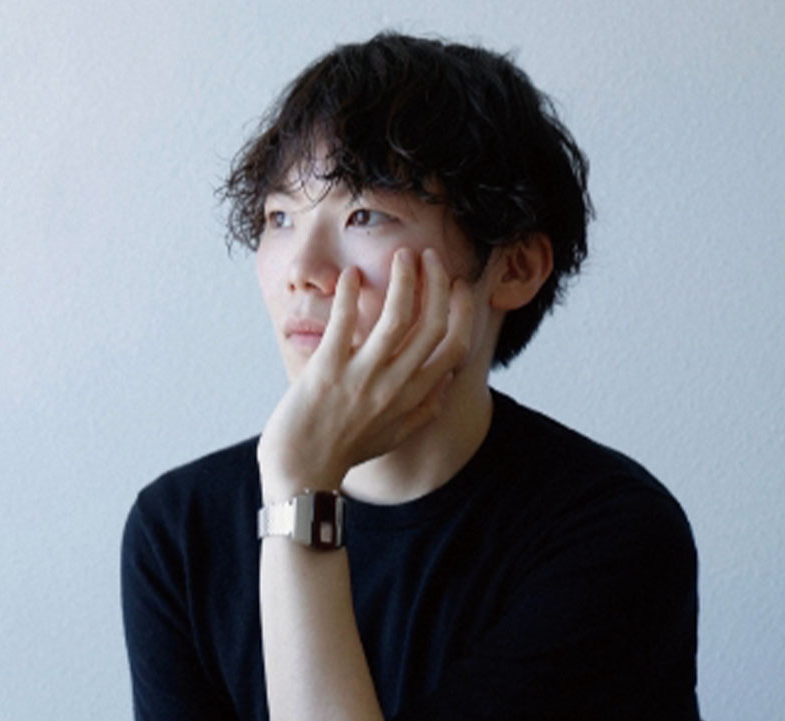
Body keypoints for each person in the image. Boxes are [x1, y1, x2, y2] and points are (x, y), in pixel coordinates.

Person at [121, 32, 699, 721]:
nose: (300, 269)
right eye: (279, 217)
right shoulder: (180, 531)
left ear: (514, 267)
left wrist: (302, 496)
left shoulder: (614, 536)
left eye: (363, 215)